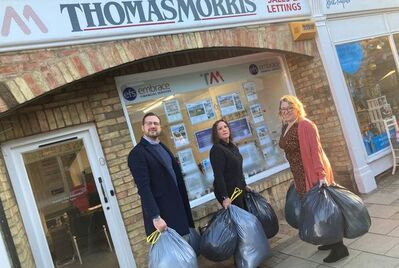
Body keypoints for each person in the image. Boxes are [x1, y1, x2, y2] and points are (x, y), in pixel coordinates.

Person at [278, 95, 349, 263]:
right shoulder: (286, 126)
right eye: (283, 109)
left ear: (297, 108)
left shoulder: (306, 125)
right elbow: (292, 154)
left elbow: (316, 152)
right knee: (315, 211)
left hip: (312, 174)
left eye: (289, 108)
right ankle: (328, 239)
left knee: (324, 209)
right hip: (300, 176)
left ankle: (340, 247)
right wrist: (294, 176)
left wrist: (321, 176)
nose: (286, 111)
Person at [127, 112, 195, 237]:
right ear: (142, 127)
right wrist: (155, 217)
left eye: (156, 123)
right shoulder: (137, 153)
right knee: (175, 255)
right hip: (163, 216)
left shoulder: (163, 147)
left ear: (160, 127)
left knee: (186, 252)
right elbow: (144, 189)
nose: (153, 126)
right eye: (149, 123)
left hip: (178, 208)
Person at [209, 119, 251, 210]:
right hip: (230, 193)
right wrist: (225, 197)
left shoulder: (232, 146)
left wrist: (244, 184)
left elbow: (238, 169)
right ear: (216, 134)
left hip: (239, 188)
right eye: (220, 129)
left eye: (225, 127)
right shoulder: (217, 150)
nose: (224, 129)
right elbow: (218, 175)